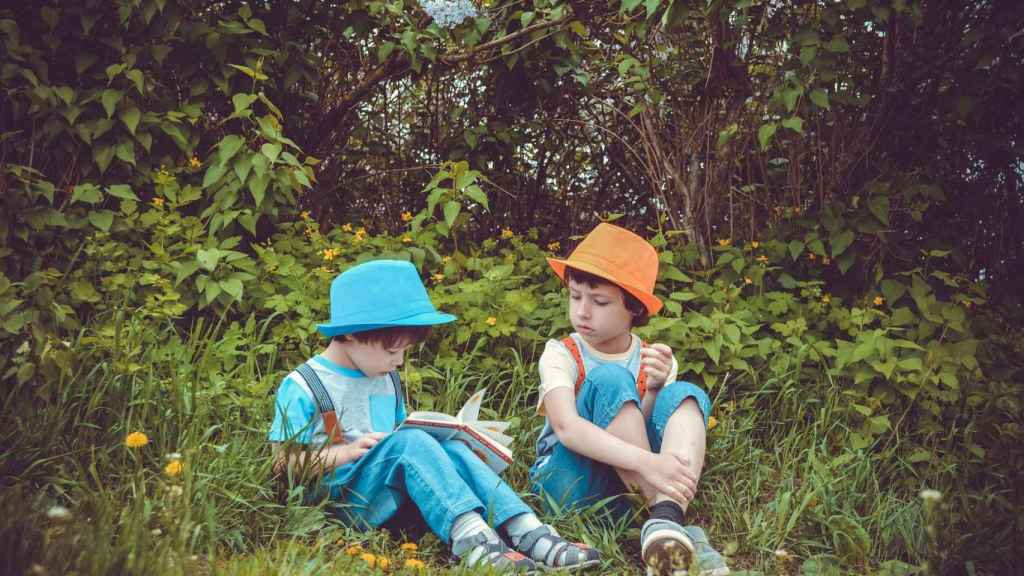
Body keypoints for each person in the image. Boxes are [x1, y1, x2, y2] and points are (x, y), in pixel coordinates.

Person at [269, 259, 601, 573]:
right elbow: (282, 465)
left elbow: (401, 438)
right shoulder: (305, 385)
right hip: (341, 502)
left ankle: (527, 529)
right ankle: (472, 541)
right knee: (410, 442)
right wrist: (342, 453)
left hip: (391, 496)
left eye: (403, 352)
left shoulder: (386, 377)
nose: (399, 362)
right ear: (352, 334)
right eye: (392, 350)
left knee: (452, 448)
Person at [530, 224, 729, 576]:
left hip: (625, 492)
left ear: (634, 309)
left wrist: (653, 389)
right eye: (575, 296)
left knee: (686, 394)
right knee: (609, 379)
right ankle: (673, 523)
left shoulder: (651, 357)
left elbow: (642, 428)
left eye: (600, 301)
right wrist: (649, 465)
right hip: (569, 482)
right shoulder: (561, 353)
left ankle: (663, 523)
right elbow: (566, 428)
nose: (583, 312)